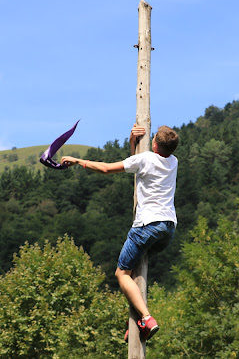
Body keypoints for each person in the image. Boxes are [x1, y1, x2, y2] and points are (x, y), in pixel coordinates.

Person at [60, 124, 179, 341]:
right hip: (167, 228)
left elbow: (107, 169)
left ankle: (146, 317)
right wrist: (133, 143)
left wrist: (78, 161)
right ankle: (136, 322)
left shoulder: (144, 159)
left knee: (121, 274)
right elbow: (138, 165)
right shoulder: (173, 161)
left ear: (153, 143)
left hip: (146, 226)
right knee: (133, 272)